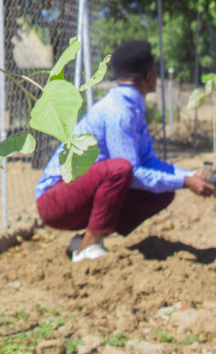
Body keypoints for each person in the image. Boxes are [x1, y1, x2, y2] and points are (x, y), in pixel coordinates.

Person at [35, 39, 214, 263]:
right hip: (54, 201)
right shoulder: (119, 111)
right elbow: (132, 170)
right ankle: (89, 246)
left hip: (74, 196)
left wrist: (188, 176)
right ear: (149, 75)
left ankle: (85, 240)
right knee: (120, 168)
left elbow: (149, 162)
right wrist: (186, 182)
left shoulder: (131, 106)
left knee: (164, 190)